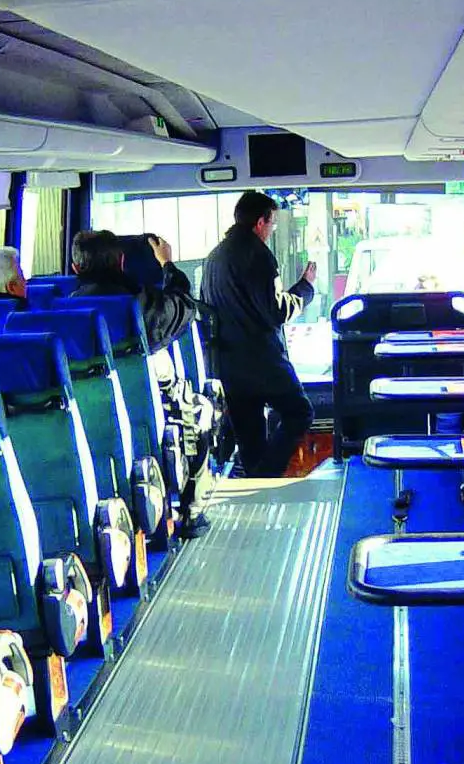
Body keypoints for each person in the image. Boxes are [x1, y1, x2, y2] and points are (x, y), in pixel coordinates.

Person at [71, 230, 212, 538]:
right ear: (121, 262)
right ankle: (192, 512)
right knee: (201, 410)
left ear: (76, 268)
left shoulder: (60, 315)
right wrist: (167, 265)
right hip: (148, 417)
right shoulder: (141, 306)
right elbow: (185, 306)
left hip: (87, 424)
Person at [200, 191, 316, 478]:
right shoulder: (258, 256)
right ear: (260, 222)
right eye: (272, 223)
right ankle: (267, 474)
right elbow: (276, 311)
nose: (272, 230)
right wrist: (305, 287)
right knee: (300, 412)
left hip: (227, 364)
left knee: (251, 440)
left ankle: (258, 483)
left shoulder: (214, 258)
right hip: (261, 362)